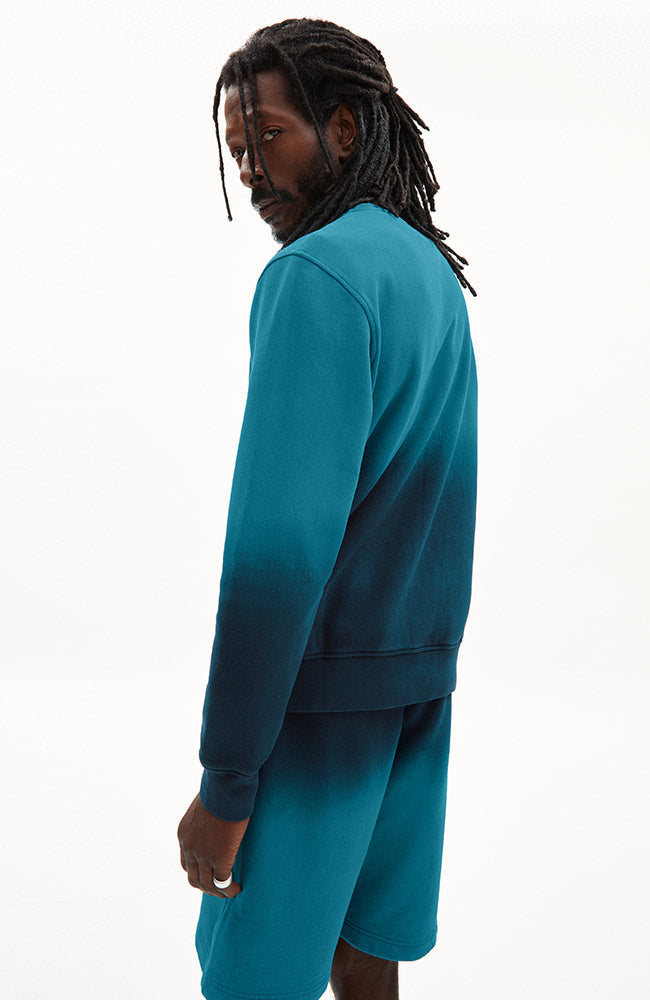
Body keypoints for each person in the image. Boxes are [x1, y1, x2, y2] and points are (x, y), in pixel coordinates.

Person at [177, 17, 478, 1000]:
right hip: (414, 696)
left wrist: (227, 782)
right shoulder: (429, 274)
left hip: (314, 717)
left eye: (270, 136)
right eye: (238, 151)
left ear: (343, 129)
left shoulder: (311, 278)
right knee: (366, 953)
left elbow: (274, 562)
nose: (253, 171)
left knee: (253, 982)